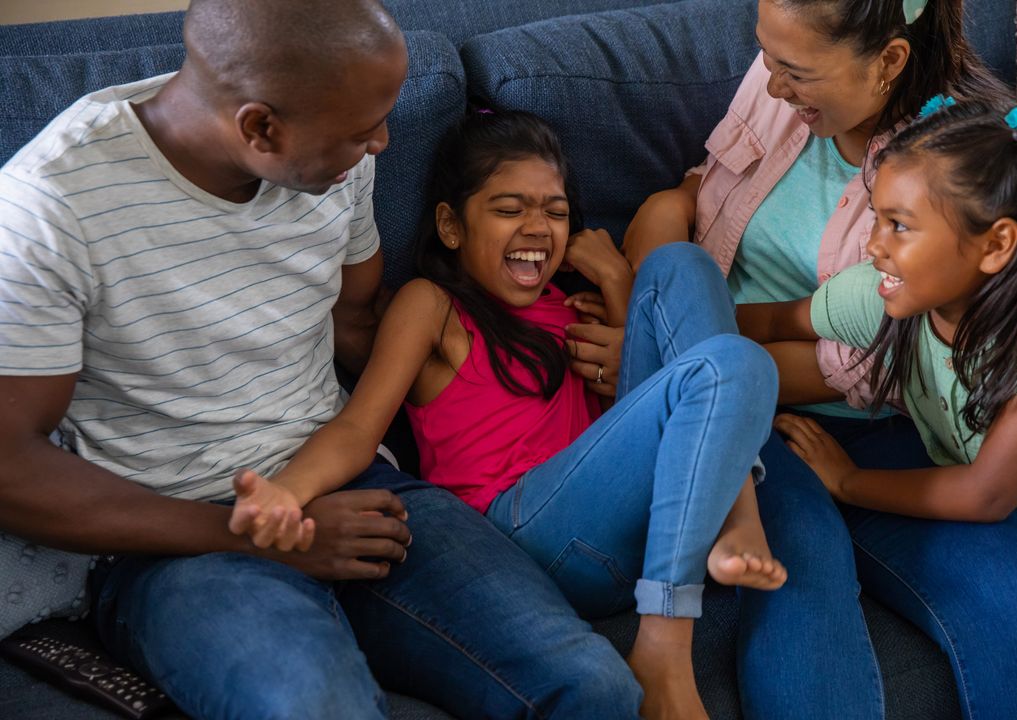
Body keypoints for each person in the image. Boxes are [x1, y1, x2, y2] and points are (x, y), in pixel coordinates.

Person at [0, 1, 647, 718]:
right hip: (179, 538)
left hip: (354, 486)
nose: (381, 144)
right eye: (360, 133)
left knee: (594, 686)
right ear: (260, 128)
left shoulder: (336, 166)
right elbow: (11, 467)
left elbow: (358, 317)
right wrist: (269, 540)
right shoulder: (51, 206)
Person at [229, 108, 784, 720]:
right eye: (508, 208)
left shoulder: (573, 308)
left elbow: (632, 434)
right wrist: (283, 493)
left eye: (554, 210)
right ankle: (666, 642)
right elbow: (359, 428)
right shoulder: (432, 307)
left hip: (621, 530)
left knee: (683, 264)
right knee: (732, 362)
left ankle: (733, 511)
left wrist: (619, 284)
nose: (537, 227)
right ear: (450, 225)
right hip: (520, 536)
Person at [613, 0, 1017, 718]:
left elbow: (861, 369)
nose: (772, 84)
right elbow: (698, 191)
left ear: (889, 60)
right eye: (766, 57)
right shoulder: (783, 79)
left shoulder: (952, 168)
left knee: (1014, 600)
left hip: (878, 421)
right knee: (799, 578)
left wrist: (687, 351)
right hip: (739, 399)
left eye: (794, 69)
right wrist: (664, 319)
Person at [743, 98, 1017, 710]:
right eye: (875, 217)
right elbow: (767, 320)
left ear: (997, 244)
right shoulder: (889, 296)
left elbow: (986, 494)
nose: (873, 245)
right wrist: (650, 325)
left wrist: (847, 483)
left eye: (899, 225)